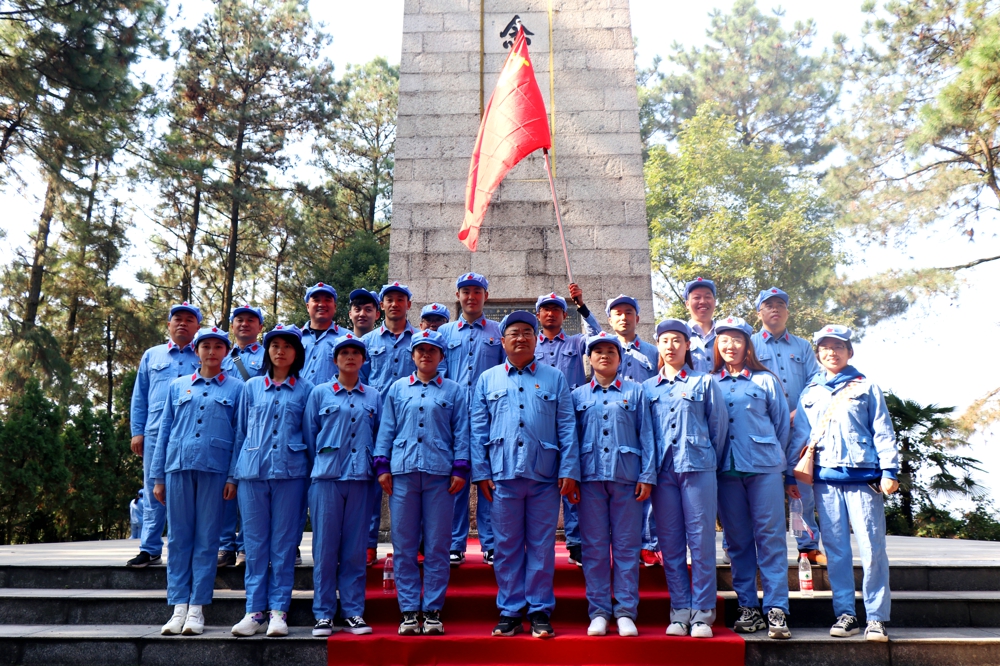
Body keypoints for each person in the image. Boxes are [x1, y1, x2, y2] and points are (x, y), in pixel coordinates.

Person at [470, 311, 580, 639]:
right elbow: (478, 428)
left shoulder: (554, 378)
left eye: (527, 333)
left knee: (542, 546)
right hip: (502, 475)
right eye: (514, 333)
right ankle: (510, 610)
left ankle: (540, 610)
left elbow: (566, 425)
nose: (521, 338)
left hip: (544, 474)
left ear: (536, 340)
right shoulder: (487, 379)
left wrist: (569, 468)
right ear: (503, 341)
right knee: (506, 545)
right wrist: (480, 471)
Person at [791, 324, 898, 643]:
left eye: (838, 346)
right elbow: (800, 437)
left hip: (864, 479)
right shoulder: (810, 392)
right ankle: (845, 614)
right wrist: (790, 475)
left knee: (873, 549)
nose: (832, 352)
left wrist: (889, 470)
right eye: (825, 347)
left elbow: (883, 430)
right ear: (818, 354)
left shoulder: (867, 387)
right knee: (836, 551)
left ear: (849, 351)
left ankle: (876, 618)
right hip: (825, 480)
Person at [374, 330, 470, 636]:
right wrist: (382, 465)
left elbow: (462, 431)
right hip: (403, 473)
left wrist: (461, 467)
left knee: (438, 545)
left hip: (440, 474)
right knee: (403, 545)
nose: (426, 355)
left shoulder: (454, 391)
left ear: (441, 356)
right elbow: (387, 428)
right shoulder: (397, 388)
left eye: (432, 350)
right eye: (420, 350)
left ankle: (432, 610)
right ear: (412, 355)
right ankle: (408, 610)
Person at [151, 326, 244, 636]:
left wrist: (232, 476)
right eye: (206, 346)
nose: (212, 352)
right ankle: (178, 605)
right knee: (178, 538)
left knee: (207, 539)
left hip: (215, 469)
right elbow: (164, 432)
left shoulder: (237, 389)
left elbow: (240, 435)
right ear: (196, 350)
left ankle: (197, 608)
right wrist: (158, 477)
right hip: (178, 466)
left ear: (226, 352)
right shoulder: (177, 386)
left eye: (219, 346)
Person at [644, 319, 728, 638]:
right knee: (671, 542)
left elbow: (718, 429)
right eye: (665, 340)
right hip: (662, 472)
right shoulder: (647, 388)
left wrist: (707, 459)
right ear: (658, 345)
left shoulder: (704, 382)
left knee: (701, 540)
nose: (671, 346)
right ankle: (680, 611)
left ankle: (703, 612)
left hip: (698, 467)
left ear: (687, 345)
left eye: (677, 340)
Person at [712, 316, 794, 640]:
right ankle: (748, 607)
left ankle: (777, 609)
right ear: (717, 345)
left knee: (770, 538)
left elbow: (782, 426)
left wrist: (780, 464)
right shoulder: (710, 382)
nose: (730, 345)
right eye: (724, 340)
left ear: (748, 344)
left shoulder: (765, 380)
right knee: (737, 541)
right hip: (726, 471)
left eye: (737, 339)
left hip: (765, 469)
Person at [229, 323, 313, 638]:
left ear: (297, 353)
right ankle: (254, 611)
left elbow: (310, 436)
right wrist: (232, 476)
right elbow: (240, 433)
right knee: (254, 546)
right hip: (252, 473)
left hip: (292, 474)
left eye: (288, 346)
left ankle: (278, 611)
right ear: (267, 351)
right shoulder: (250, 388)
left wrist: (312, 477)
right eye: (275, 345)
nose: (281, 351)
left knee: (284, 545)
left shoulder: (307, 390)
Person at [573, 332, 654, 637]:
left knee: (626, 547)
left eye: (611, 351)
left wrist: (647, 476)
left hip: (627, 479)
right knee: (594, 548)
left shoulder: (636, 392)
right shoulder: (578, 396)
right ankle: (598, 611)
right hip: (589, 479)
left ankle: (625, 611)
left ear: (620, 359)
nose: (604, 355)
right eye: (598, 351)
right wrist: (571, 476)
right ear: (589, 359)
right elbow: (570, 439)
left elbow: (647, 435)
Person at [303, 334, 381, 638]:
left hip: (360, 478)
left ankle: (352, 611)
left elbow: (378, 434)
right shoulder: (319, 393)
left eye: (355, 353)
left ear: (363, 360)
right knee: (324, 548)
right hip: (327, 479)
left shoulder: (373, 396)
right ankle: (323, 613)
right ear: (335, 360)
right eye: (344, 353)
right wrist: (323, 464)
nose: (350, 357)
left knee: (354, 548)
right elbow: (310, 435)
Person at [751, 287, 826, 565]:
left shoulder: (802, 346)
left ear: (787, 311)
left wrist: (798, 410)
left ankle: (807, 546)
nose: (775, 309)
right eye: (769, 305)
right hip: (763, 431)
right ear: (759, 312)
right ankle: (749, 548)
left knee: (800, 491)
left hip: (798, 430)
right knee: (758, 492)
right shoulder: (750, 344)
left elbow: (816, 381)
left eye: (780, 304)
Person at [587, 294, 661, 568]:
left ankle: (648, 544)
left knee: (642, 491)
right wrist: (582, 306)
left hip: (642, 418)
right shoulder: (602, 347)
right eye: (617, 313)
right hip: (608, 423)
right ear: (609, 319)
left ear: (637, 317)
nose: (624, 317)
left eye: (629, 312)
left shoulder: (653, 352)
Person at [127, 302, 202, 568]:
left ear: (198, 326)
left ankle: (188, 549)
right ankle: (149, 548)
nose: (182, 323)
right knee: (152, 491)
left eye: (189, 320)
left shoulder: (205, 353)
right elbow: (140, 396)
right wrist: (137, 432)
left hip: (190, 435)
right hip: (155, 433)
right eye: (177, 319)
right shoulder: (152, 355)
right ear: (168, 324)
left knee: (189, 494)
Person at [439, 272, 505, 566]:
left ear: (485, 296)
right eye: (465, 291)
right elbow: (438, 372)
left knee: (489, 481)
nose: (471, 297)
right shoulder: (444, 333)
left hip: (489, 418)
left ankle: (491, 543)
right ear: (458, 296)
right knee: (456, 482)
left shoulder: (498, 331)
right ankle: (455, 543)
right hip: (453, 419)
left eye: (477, 291)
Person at [533, 286, 601, 567]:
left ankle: (575, 542)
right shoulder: (530, 345)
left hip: (573, 419)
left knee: (573, 479)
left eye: (556, 309)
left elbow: (597, 336)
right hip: (540, 421)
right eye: (545, 309)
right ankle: (538, 543)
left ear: (564, 315)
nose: (551, 313)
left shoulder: (575, 342)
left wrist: (582, 306)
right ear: (538, 315)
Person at [361, 281, 418, 567]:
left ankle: (413, 544)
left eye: (400, 299)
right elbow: (359, 380)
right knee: (370, 486)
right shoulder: (367, 342)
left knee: (412, 486)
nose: (395, 304)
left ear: (409, 304)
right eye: (389, 299)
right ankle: (368, 544)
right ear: (381, 305)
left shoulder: (421, 340)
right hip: (373, 423)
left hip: (410, 424)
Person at [219, 304, 266, 569]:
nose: (245, 324)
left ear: (260, 327)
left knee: (250, 490)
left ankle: (246, 545)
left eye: (251, 320)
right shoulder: (223, 357)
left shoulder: (268, 356)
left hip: (254, 430)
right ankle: (225, 545)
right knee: (226, 489)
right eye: (239, 320)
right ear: (232, 325)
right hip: (225, 429)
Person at [301, 283, 348, 386]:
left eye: (327, 300)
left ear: (334, 307)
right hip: (298, 396)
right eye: (316, 300)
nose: (322, 304)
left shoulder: (347, 338)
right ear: (308, 306)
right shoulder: (294, 338)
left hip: (333, 396)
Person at [684, 278, 718, 373]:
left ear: (714, 302)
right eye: (697, 297)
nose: (703, 301)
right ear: (687, 304)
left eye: (707, 297)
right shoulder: (681, 336)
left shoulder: (725, 334)